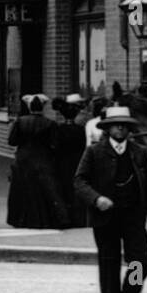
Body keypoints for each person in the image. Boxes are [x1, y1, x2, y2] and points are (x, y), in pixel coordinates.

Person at [74, 105, 147, 293]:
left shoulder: (139, 152)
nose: (120, 129)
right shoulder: (94, 152)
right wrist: (96, 199)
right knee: (109, 265)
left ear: (129, 129)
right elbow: (79, 181)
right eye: (116, 125)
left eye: (124, 126)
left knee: (140, 262)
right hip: (105, 218)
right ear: (108, 128)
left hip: (133, 215)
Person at [7, 95, 68, 228]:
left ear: (29, 107)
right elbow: (55, 144)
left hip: (23, 160)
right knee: (44, 190)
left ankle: (21, 219)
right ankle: (43, 220)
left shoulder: (20, 121)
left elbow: (12, 141)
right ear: (43, 107)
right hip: (42, 160)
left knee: (22, 190)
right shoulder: (50, 123)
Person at [54, 93, 89, 227]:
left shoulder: (59, 129)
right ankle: (78, 218)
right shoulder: (80, 129)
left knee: (64, 188)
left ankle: (65, 217)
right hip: (77, 160)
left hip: (62, 162)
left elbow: (56, 146)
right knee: (76, 189)